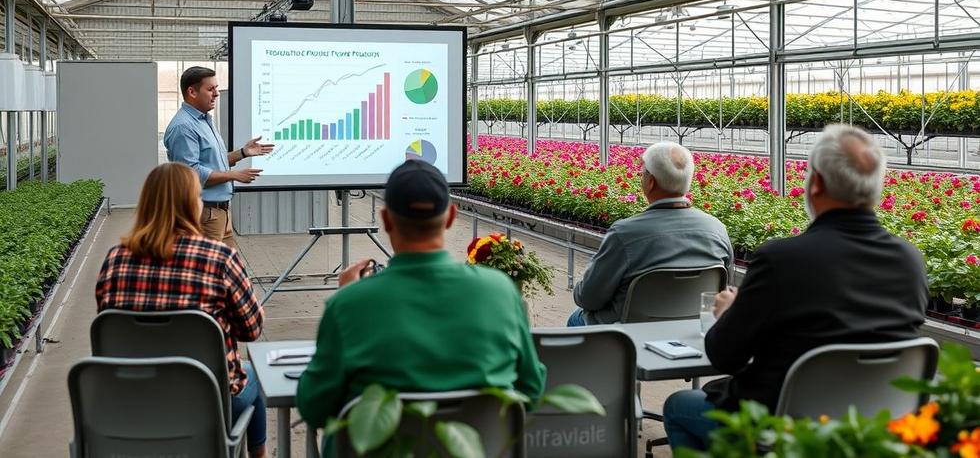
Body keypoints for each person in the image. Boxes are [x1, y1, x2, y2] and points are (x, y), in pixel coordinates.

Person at [663, 124, 929, 450]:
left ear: (815, 183)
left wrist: (729, 314)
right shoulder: (909, 260)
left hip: (785, 429)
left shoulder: (782, 259)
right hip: (873, 428)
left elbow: (725, 355)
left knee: (679, 406)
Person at [297, 160, 547, 445]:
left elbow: (314, 407)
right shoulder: (500, 291)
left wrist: (346, 298)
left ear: (387, 219)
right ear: (451, 217)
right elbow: (530, 391)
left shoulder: (349, 305)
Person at [95, 163, 267, 458]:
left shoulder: (114, 260)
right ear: (192, 204)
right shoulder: (220, 257)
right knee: (255, 377)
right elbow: (251, 330)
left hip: (130, 399)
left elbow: (111, 325)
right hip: (207, 401)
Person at [567, 141, 733, 326]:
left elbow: (589, 298)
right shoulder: (717, 229)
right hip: (693, 327)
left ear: (651, 181)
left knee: (576, 319)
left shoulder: (624, 234)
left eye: (642, 173)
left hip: (627, 332)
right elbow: (724, 292)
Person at [163, 66, 273, 249]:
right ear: (192, 91)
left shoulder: (204, 120)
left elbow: (215, 162)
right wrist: (234, 175)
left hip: (220, 213)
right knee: (209, 273)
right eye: (210, 89)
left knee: (230, 270)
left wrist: (243, 153)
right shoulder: (183, 127)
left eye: (216, 88)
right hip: (204, 215)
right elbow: (192, 175)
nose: (216, 94)